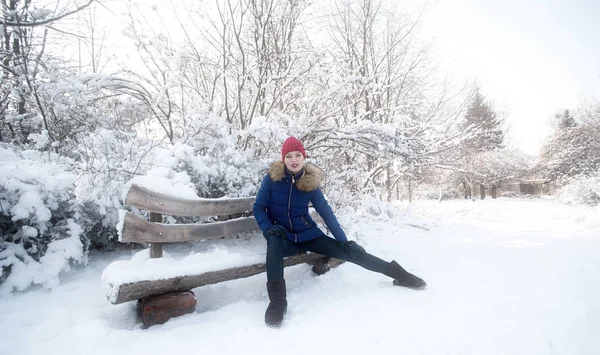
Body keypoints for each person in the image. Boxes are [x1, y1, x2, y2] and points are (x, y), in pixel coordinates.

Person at [253, 136, 426, 327]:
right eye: (289, 156)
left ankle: (398, 274)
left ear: (304, 157)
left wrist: (344, 241)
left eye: (297, 155)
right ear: (283, 159)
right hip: (282, 236)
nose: (293, 160)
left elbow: (326, 213)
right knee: (274, 241)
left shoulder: (310, 183)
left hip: (308, 234)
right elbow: (259, 208)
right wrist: (269, 229)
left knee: (350, 251)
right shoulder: (272, 179)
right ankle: (278, 302)